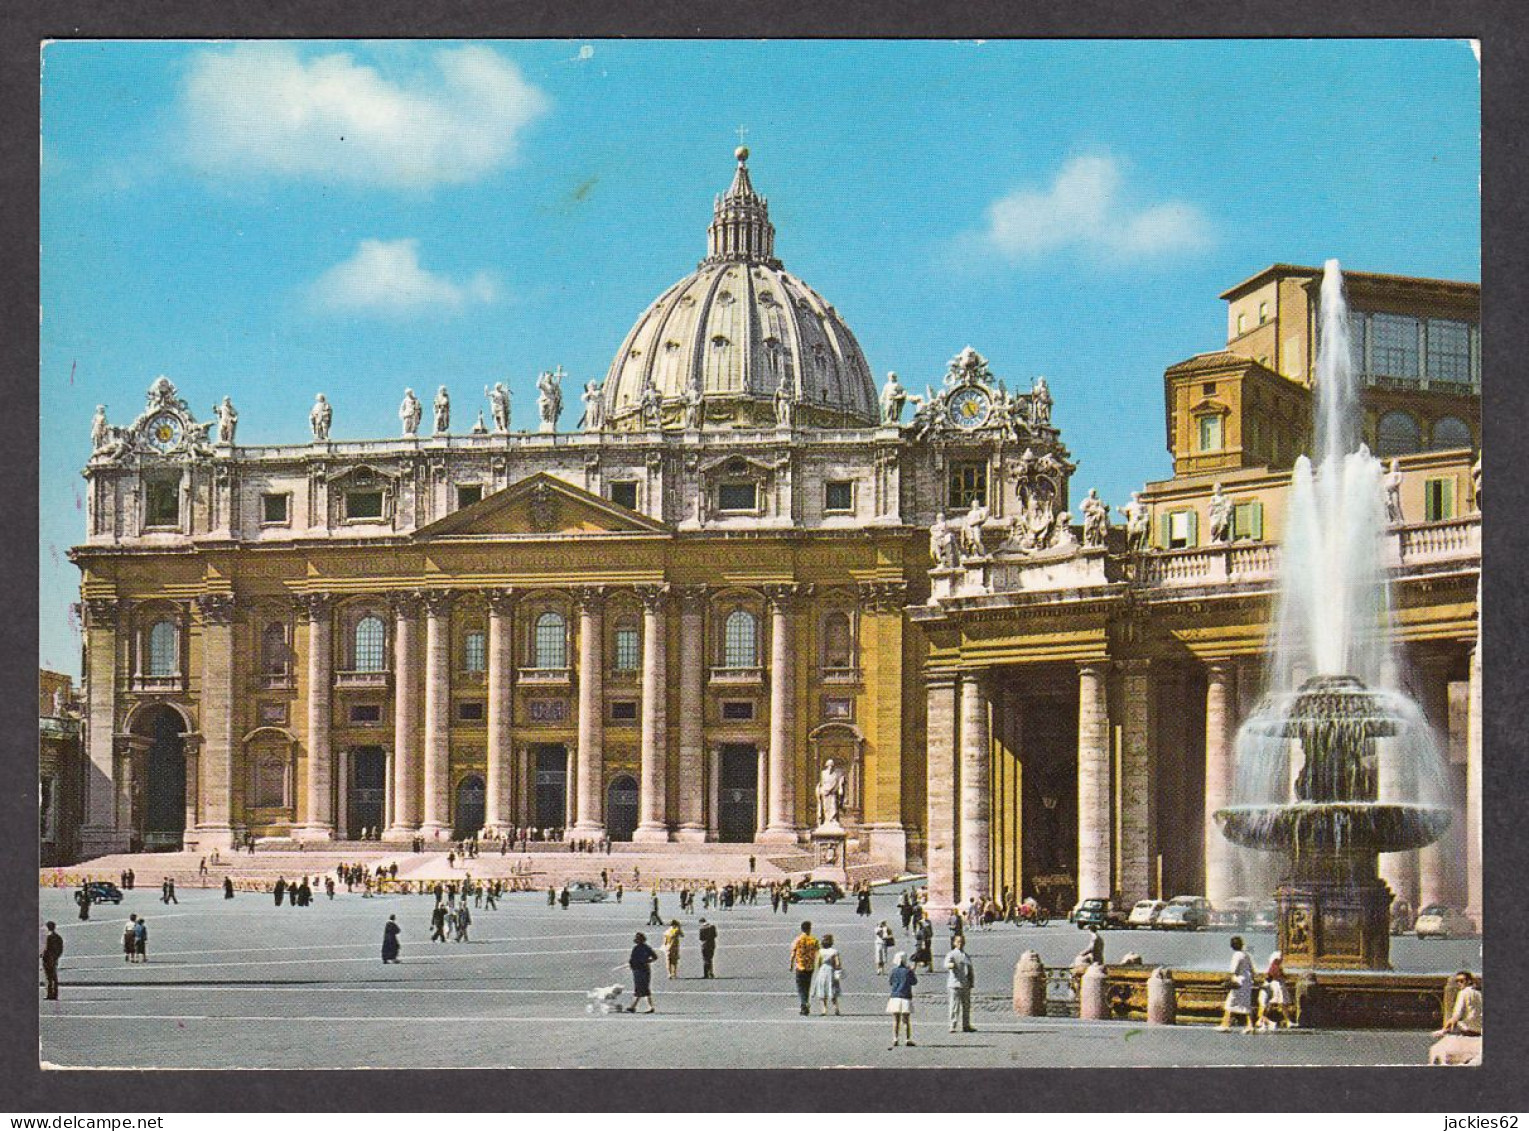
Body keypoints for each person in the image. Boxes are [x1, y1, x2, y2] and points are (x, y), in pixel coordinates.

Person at [1217, 935, 1256, 1032]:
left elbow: (1233, 971)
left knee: (1229, 1003)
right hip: (1247, 982)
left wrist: (1226, 980)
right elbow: (1252, 970)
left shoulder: (1236, 955)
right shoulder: (1246, 955)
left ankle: (1225, 1024)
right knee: (1245, 1004)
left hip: (1238, 982)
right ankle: (1250, 1026)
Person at [1434, 971, 1483, 1037]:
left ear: (1469, 981)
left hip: (1467, 1031)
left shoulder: (1463, 993)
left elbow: (1456, 1015)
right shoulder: (1479, 994)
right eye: (1457, 981)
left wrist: (1443, 1030)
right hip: (1478, 1031)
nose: (1459, 983)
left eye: (1462, 981)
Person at [944, 935, 977, 1033]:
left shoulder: (966, 955)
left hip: (965, 983)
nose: (960, 944)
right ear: (954, 943)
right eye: (958, 942)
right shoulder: (952, 954)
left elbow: (970, 969)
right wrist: (951, 965)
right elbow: (946, 964)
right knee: (954, 1005)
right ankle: (952, 1025)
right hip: (954, 984)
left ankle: (966, 1025)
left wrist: (971, 981)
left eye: (962, 942)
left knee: (966, 1006)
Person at [886, 951, 918, 1048]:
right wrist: (912, 972)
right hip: (905, 996)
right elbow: (914, 982)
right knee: (906, 1020)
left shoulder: (893, 971)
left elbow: (891, 982)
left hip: (895, 996)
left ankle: (895, 1038)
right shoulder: (908, 971)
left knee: (896, 1020)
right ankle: (907, 1039)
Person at [789, 921, 821, 1016]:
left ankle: (804, 1004)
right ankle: (806, 1002)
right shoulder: (813, 940)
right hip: (810, 966)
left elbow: (793, 952)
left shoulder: (798, 939)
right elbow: (818, 952)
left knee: (800, 987)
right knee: (807, 986)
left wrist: (791, 964)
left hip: (800, 966)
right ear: (809, 929)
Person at [1257, 949, 1292, 1030]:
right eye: (1280, 958)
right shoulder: (1274, 967)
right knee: (1277, 1004)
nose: (1281, 960)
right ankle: (1264, 1021)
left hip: (1276, 986)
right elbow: (1275, 976)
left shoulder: (1275, 967)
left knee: (1273, 1004)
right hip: (1276, 987)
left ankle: (1262, 1020)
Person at [811, 933, 844, 1016]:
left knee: (822, 989)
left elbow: (818, 963)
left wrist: (819, 969)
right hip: (831, 970)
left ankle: (824, 1009)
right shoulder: (834, 951)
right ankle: (836, 1008)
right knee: (832, 989)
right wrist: (838, 969)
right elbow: (837, 963)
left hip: (823, 970)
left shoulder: (820, 951)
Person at [627, 932, 659, 1013]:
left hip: (639, 970)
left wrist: (632, 965)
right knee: (641, 988)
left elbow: (632, 960)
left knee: (642, 988)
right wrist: (648, 961)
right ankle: (633, 1006)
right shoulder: (646, 948)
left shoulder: (636, 948)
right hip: (643, 969)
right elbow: (655, 957)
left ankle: (650, 1007)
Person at [41, 921, 63, 1000]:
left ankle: (50, 993)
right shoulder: (58, 937)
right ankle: (55, 993)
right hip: (54, 958)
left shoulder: (48, 937)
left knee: (48, 977)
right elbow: (60, 948)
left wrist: (42, 956)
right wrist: (56, 957)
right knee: (54, 977)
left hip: (47, 959)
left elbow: (45, 949)